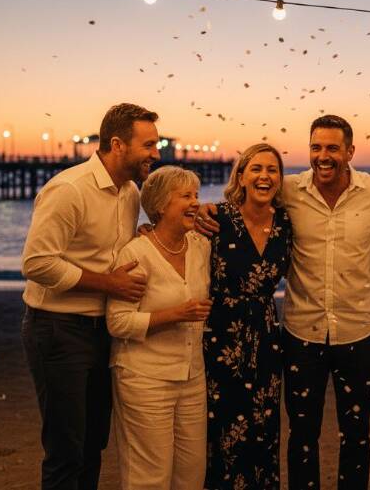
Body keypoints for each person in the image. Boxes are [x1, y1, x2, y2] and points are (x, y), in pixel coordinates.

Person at [195, 115, 370, 490]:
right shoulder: (288, 189)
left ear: (350, 151)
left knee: (357, 435)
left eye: (332, 148)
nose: (323, 156)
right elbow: (243, 202)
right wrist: (200, 211)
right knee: (301, 437)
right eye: (316, 147)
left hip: (358, 332)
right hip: (300, 334)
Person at [20, 103, 160, 490]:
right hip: (58, 328)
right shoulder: (69, 189)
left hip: (103, 330)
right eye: (149, 144)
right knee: (66, 448)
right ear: (118, 144)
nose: (157, 153)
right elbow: (36, 263)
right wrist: (108, 284)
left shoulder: (130, 192)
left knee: (94, 443)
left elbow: (112, 250)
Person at [106, 166, 212, 490]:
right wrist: (174, 314)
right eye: (186, 196)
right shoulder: (137, 253)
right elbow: (118, 321)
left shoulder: (200, 247)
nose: (195, 202)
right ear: (161, 205)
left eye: (196, 195)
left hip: (192, 375)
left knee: (192, 473)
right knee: (149, 476)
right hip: (144, 378)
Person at [203, 143, 293, 489]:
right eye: (256, 168)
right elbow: (176, 243)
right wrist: (147, 229)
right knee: (223, 431)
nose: (264, 176)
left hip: (267, 338)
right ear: (240, 175)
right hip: (220, 338)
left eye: (272, 170)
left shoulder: (286, 222)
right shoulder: (216, 219)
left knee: (263, 429)